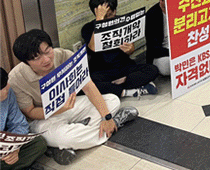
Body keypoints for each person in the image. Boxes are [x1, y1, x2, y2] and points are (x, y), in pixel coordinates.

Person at [8, 30, 138, 165]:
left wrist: (107, 116)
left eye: (48, 51)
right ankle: (114, 124)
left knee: (112, 100)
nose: (46, 59)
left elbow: (88, 86)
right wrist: (59, 109)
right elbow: (30, 112)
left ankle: (63, 144)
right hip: (43, 118)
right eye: (36, 58)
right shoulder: (16, 78)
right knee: (63, 137)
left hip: (69, 105)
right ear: (26, 62)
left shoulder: (64, 55)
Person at [81, 0, 159, 98]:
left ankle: (118, 86)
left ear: (115, 10)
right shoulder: (89, 28)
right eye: (105, 17)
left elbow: (131, 50)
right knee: (89, 84)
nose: (109, 19)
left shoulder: (123, 22)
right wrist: (100, 21)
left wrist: (130, 49)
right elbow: (93, 48)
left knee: (152, 70)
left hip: (124, 68)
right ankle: (128, 91)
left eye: (111, 14)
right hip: (102, 72)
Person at [0, 67, 47, 170]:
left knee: (39, 143)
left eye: (6, 82)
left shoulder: (8, 92)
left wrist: (15, 149)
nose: (8, 87)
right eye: (3, 87)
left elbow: (19, 124)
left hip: (3, 149)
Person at [145, 0, 183, 76]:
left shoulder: (185, 5)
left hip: (183, 46)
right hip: (164, 53)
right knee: (167, 67)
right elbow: (154, 48)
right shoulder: (152, 15)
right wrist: (173, 52)